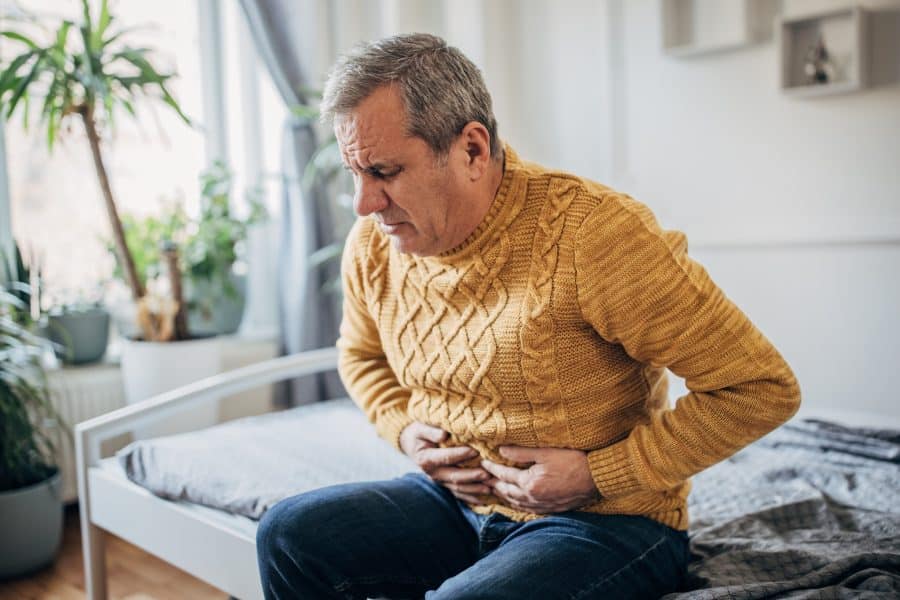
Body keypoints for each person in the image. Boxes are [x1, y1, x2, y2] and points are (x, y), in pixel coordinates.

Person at [256, 33, 801, 599]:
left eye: (384, 171)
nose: (363, 203)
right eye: (354, 172)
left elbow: (759, 387)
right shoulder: (373, 245)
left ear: (472, 150)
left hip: (605, 521)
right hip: (456, 505)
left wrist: (598, 474)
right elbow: (361, 355)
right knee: (287, 534)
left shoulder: (597, 235)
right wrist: (405, 430)